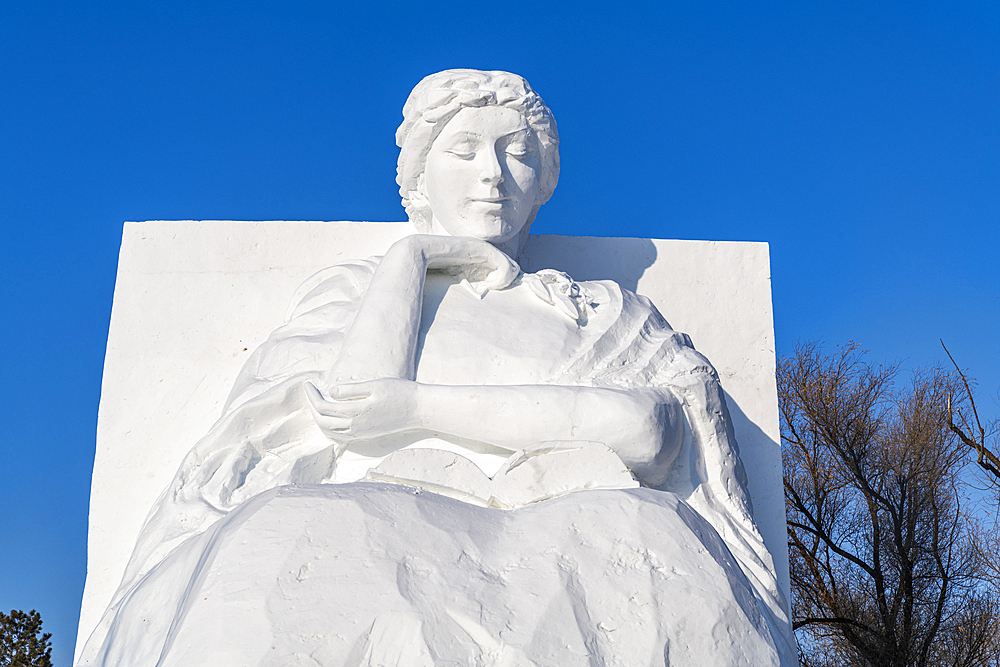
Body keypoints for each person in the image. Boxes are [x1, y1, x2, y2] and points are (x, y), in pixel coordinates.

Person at [79, 70, 794, 666]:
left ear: (543, 180)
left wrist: (417, 408)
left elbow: (646, 428)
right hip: (380, 518)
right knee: (289, 551)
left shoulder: (602, 310)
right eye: (464, 151)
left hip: (584, 523)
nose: (492, 174)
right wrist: (411, 260)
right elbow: (349, 412)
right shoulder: (360, 294)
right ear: (419, 174)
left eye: (517, 154)